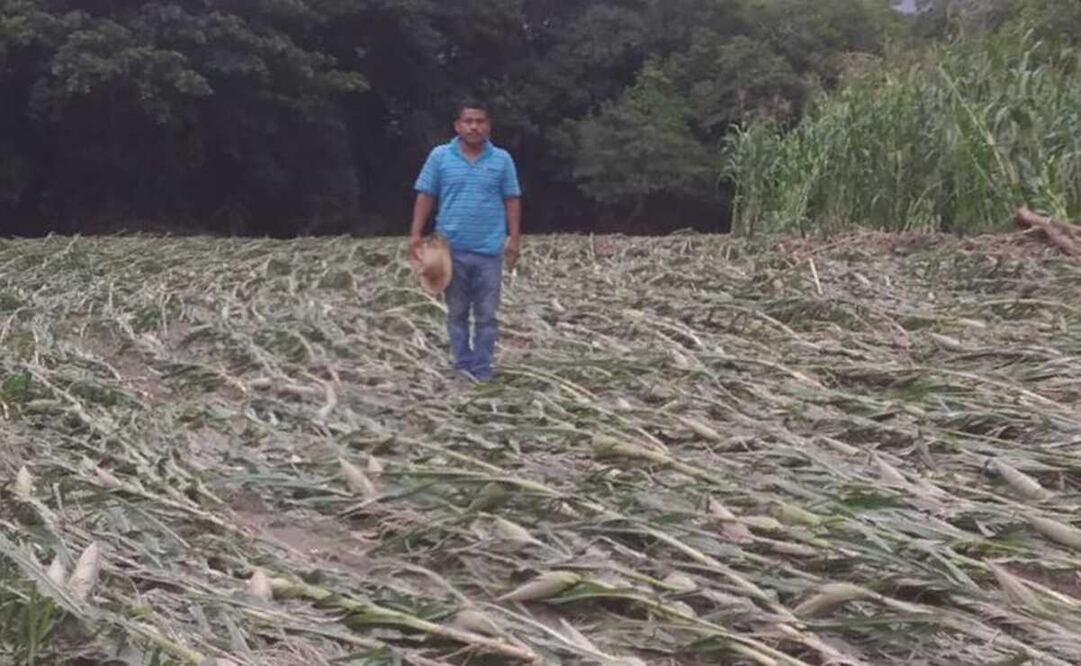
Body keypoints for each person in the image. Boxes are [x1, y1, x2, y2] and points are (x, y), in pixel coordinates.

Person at [409, 99, 522, 381]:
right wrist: (415, 234)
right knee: (456, 313)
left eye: (479, 121)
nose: (474, 126)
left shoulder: (502, 160)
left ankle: (482, 369)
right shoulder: (440, 157)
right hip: (450, 250)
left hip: (489, 250)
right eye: (468, 121)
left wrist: (514, 237)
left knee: (486, 315)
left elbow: (511, 199)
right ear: (457, 125)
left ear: (488, 125)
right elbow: (425, 195)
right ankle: (462, 365)